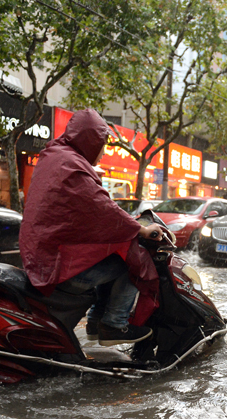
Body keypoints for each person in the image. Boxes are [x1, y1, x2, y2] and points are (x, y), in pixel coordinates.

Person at [20, 108, 166, 346]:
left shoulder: (55, 155)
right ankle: (114, 325)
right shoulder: (71, 164)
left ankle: (95, 323)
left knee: (112, 256)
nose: (103, 150)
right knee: (135, 262)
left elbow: (88, 211)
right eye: (102, 142)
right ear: (90, 140)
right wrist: (142, 229)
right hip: (54, 265)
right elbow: (101, 208)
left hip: (40, 254)